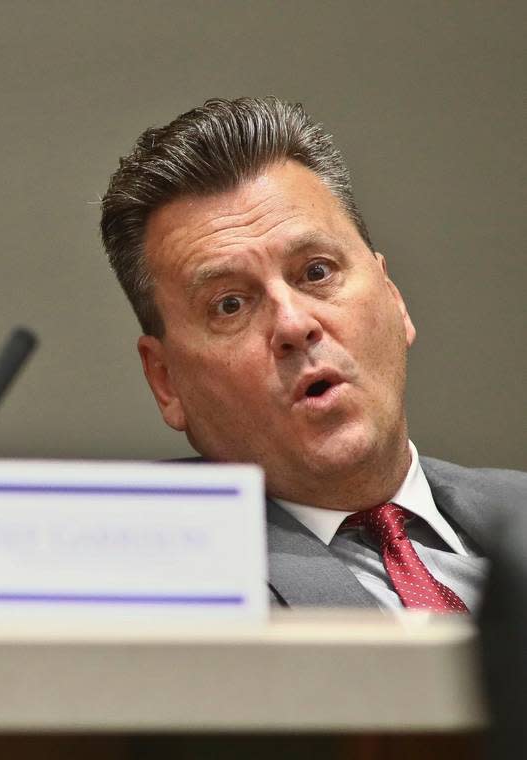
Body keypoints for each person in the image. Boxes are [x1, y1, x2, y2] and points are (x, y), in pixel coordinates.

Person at [100, 97, 525, 610]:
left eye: (317, 272)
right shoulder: (142, 585)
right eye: (230, 304)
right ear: (166, 381)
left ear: (394, 297)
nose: (294, 324)